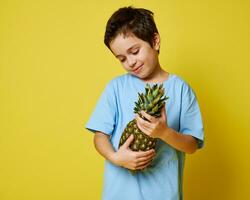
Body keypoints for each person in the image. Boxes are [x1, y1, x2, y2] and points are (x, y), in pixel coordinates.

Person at [85, 6, 204, 200]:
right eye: (122, 58)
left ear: (155, 41)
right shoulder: (116, 87)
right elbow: (99, 136)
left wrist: (163, 132)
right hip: (118, 194)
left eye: (134, 51)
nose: (130, 62)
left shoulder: (181, 89)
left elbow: (191, 146)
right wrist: (116, 158)